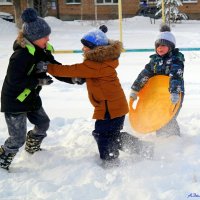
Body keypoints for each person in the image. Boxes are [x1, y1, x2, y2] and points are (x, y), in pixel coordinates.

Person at [36, 25, 153, 167]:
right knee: (112, 135)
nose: (83, 49)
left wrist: (47, 67)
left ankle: (110, 160)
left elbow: (71, 70)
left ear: (95, 49)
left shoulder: (95, 65)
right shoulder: (101, 61)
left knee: (102, 135)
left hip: (109, 108)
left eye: (85, 47)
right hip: (114, 106)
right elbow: (85, 73)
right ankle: (142, 148)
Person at [0, 8, 76, 170]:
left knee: (43, 123)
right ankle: (2, 159)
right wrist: (38, 80)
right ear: (33, 38)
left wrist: (73, 78)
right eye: (45, 36)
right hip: (14, 100)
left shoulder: (43, 51)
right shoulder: (20, 56)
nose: (48, 38)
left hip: (31, 97)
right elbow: (14, 81)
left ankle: (32, 147)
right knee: (17, 138)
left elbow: (55, 68)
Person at [130, 24, 185, 137]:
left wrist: (174, 92)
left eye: (164, 45)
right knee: (158, 114)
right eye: (158, 45)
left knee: (169, 116)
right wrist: (135, 90)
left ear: (171, 47)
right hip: (156, 94)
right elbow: (144, 75)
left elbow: (176, 76)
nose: (160, 48)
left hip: (174, 93)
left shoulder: (176, 60)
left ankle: (173, 138)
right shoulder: (154, 61)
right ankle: (161, 137)